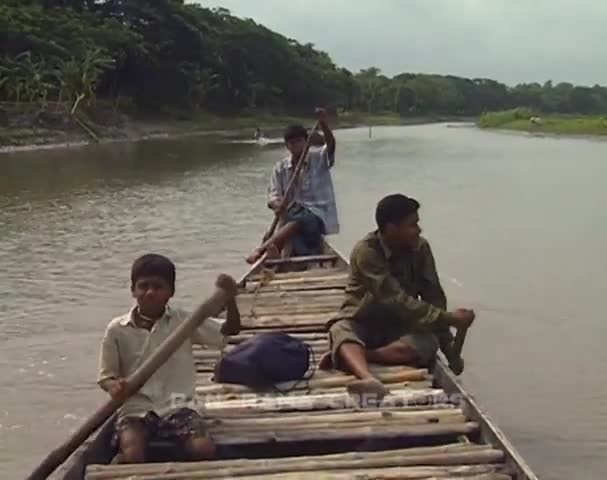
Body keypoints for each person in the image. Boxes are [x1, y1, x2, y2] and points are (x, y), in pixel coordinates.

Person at [322, 194, 475, 400]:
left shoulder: (421, 248)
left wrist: (449, 349)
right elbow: (395, 299)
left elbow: (434, 296)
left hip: (399, 327)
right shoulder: (366, 252)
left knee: (428, 342)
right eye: (412, 225)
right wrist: (450, 318)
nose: (418, 230)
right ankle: (368, 378)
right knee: (340, 329)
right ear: (392, 228)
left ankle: (362, 355)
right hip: (364, 320)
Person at [97, 253, 240, 463]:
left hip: (179, 406)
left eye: (158, 286)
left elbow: (229, 331)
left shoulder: (184, 321)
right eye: (143, 286)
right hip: (137, 408)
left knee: (202, 449)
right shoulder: (117, 329)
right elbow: (106, 376)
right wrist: (114, 387)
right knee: (133, 453)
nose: (150, 292)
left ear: (170, 292)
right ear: (133, 290)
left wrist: (230, 300)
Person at [245, 108, 339, 263]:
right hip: (289, 217)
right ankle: (276, 256)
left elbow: (331, 145)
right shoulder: (280, 168)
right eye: (292, 143)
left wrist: (324, 125)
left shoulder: (318, 159)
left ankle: (260, 251)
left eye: (299, 141)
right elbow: (273, 196)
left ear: (305, 141)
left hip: (317, 216)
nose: (296, 145)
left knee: (299, 221)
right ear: (287, 146)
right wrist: (277, 205)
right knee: (281, 231)